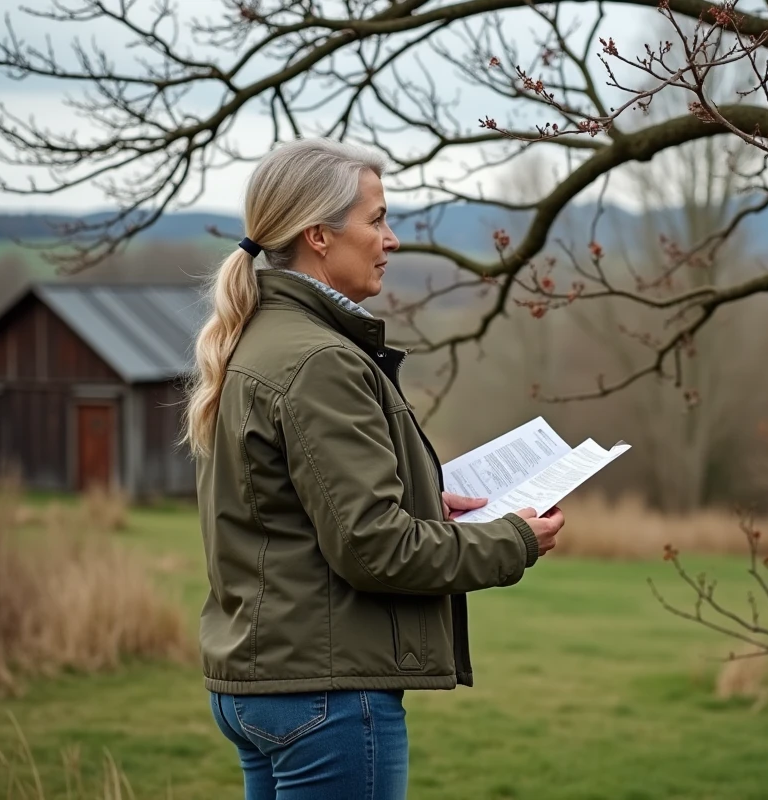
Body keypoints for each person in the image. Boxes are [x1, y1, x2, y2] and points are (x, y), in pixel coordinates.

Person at [181, 137, 566, 800]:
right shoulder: (319, 360)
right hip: (326, 694)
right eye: (377, 219)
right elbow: (372, 546)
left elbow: (299, 509)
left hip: (270, 681)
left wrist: (425, 500)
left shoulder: (264, 340)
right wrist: (515, 539)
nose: (390, 239)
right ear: (320, 237)